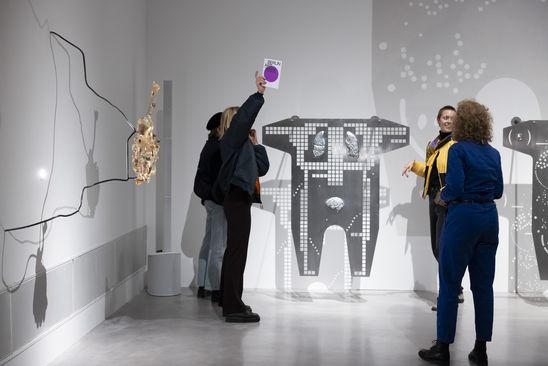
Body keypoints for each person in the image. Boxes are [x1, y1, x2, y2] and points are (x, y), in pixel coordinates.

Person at [418, 99, 503, 365]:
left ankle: (442, 348)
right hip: (489, 218)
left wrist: (442, 195)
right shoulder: (493, 153)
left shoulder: (457, 150)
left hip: (463, 218)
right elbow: (498, 191)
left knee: (450, 283)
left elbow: (453, 188)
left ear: (462, 122)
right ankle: (480, 349)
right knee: (483, 286)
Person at [215, 72, 269, 323]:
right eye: (239, 121)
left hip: (240, 199)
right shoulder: (231, 139)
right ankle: (233, 307)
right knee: (238, 252)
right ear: (233, 123)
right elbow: (245, 117)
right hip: (236, 198)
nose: (244, 125)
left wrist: (256, 144)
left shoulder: (241, 145)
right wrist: (258, 95)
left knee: (234, 251)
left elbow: (262, 168)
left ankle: (229, 300)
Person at [402, 105, 464, 310]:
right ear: (438, 120)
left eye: (452, 118)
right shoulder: (434, 143)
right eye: (445, 117)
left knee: (444, 249)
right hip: (433, 199)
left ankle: (449, 295)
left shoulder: (458, 144)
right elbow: (431, 170)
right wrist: (414, 165)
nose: (448, 121)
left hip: (447, 201)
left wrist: (449, 196)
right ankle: (455, 288)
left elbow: (457, 175)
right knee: (437, 248)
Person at [193, 112, 226, 302]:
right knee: (218, 246)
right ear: (220, 127)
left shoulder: (208, 146)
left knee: (208, 242)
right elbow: (219, 178)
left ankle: (202, 285)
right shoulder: (219, 147)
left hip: (208, 200)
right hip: (217, 200)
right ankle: (216, 288)